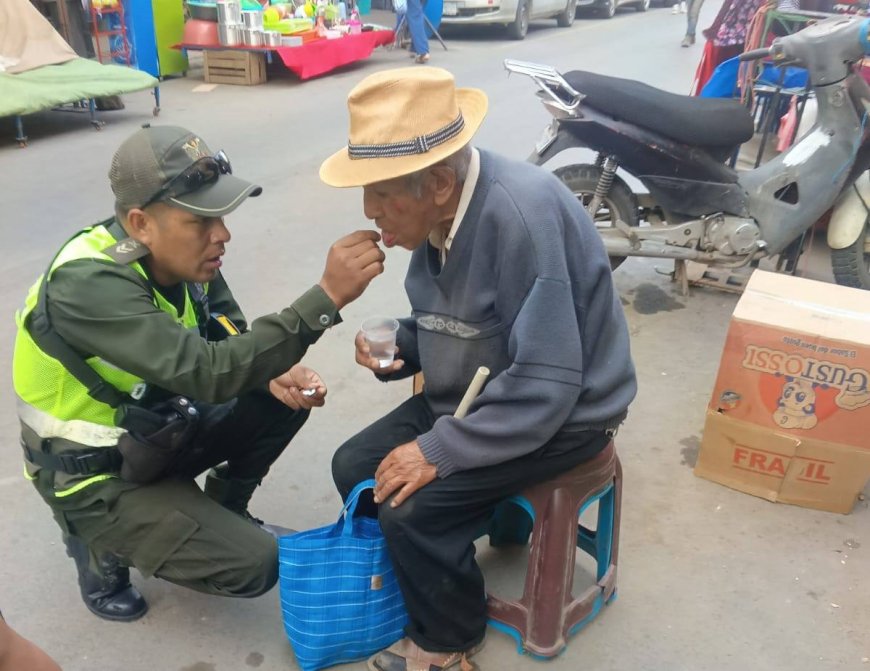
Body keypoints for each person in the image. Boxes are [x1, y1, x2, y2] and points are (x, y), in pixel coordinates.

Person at [321, 68, 637, 671]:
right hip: (481, 390)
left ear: (439, 181)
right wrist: (403, 348)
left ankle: (448, 640)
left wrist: (438, 451)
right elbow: (470, 324)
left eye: (384, 194)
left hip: (563, 413)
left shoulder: (520, 215)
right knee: (355, 467)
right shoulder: (440, 218)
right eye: (367, 193)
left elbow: (546, 382)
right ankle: (428, 575)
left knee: (409, 506)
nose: (370, 211)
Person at [12, 124, 385, 622]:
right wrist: (325, 299)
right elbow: (207, 373)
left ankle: (224, 511)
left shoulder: (180, 257)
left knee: (280, 392)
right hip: (92, 478)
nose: (222, 235)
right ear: (141, 223)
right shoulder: (89, 284)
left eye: (221, 216)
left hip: (154, 433)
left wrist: (267, 372)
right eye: (201, 221)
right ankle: (96, 542)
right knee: (257, 565)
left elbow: (227, 334)